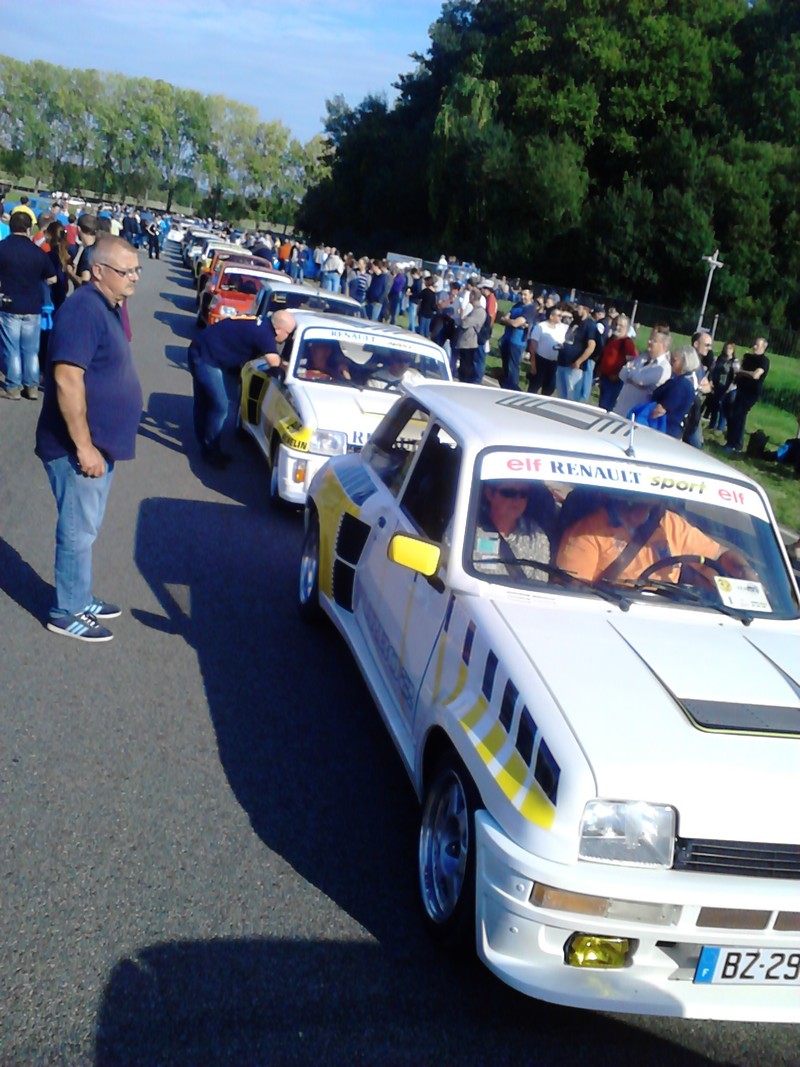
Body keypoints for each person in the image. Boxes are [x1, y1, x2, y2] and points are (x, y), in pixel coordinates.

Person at [34, 236, 143, 642]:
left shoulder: (107, 307)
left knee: (88, 528)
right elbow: (66, 377)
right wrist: (83, 445)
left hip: (98, 446)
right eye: (125, 271)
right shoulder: (82, 309)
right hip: (76, 448)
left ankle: (80, 597)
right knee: (78, 530)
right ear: (98, 271)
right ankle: (66, 611)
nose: (133, 277)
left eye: (136, 270)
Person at [557, 494, 753, 585]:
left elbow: (719, 555)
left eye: (647, 507)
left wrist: (744, 571)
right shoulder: (585, 533)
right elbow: (574, 595)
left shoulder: (671, 524)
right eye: (631, 504)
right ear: (616, 498)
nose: (639, 515)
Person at [187, 309, 296, 467]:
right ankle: (211, 451)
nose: (288, 337)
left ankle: (204, 445)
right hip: (204, 358)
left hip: (201, 347)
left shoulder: (262, 325)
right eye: (289, 333)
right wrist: (291, 368)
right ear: (279, 329)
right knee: (220, 406)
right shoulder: (265, 335)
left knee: (205, 401)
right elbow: (274, 362)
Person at [0, 211, 57, 400]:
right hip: (33, 305)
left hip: (10, 303)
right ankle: (31, 386)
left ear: (10, 227)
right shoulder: (38, 253)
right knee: (31, 349)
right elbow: (52, 278)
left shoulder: (3, 248)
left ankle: (13, 386)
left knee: (12, 348)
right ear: (28, 228)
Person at [472, 480, 552, 583]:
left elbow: (539, 584)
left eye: (523, 494)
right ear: (489, 494)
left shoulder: (536, 535)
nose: (517, 500)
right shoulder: (467, 526)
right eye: (509, 493)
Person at [613, 328, 672, 417]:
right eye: (650, 339)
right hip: (620, 408)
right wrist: (635, 379)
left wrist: (632, 373)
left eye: (654, 341)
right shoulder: (642, 358)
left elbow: (641, 380)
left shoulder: (663, 367)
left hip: (635, 415)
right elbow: (622, 373)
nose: (649, 342)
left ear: (663, 346)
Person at [725, 337, 769, 453]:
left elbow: (756, 375)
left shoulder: (763, 361)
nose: (754, 347)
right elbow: (739, 369)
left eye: (757, 345)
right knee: (732, 413)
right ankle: (732, 441)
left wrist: (741, 372)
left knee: (739, 414)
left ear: (763, 347)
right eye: (754, 344)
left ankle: (735, 444)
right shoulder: (748, 357)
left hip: (751, 393)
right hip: (740, 389)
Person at [650, 345, 701, 438]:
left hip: (665, 430)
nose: (671, 362)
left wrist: (644, 416)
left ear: (685, 362)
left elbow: (660, 410)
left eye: (674, 360)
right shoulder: (683, 381)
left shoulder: (681, 384)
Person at [556, 298, 600, 403]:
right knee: (561, 396)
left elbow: (591, 346)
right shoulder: (576, 321)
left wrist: (579, 361)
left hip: (574, 365)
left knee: (572, 397)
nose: (576, 309)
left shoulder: (590, 325)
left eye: (579, 307)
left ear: (585, 309)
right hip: (563, 361)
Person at [498, 287, 536, 390]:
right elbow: (502, 319)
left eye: (525, 295)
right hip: (506, 339)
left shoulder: (530, 309)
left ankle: (513, 389)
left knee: (513, 368)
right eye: (522, 294)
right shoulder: (517, 305)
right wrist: (510, 321)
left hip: (517, 342)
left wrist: (509, 321)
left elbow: (515, 323)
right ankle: (505, 388)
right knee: (505, 367)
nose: (523, 297)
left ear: (531, 295)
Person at [596, 314, 636, 411]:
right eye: (616, 324)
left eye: (621, 326)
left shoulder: (627, 343)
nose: (617, 327)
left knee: (606, 407)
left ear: (627, 328)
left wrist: (618, 376)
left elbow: (631, 363)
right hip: (604, 378)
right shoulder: (611, 340)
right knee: (601, 405)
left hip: (615, 381)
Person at [527, 302, 568, 396]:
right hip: (540, 360)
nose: (561, 318)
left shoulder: (562, 328)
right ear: (551, 316)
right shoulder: (540, 327)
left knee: (549, 387)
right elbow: (533, 346)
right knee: (534, 386)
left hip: (554, 363)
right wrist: (533, 364)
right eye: (559, 315)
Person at [454, 288, 487, 383]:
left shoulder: (479, 311)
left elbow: (465, 323)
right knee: (464, 364)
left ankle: (465, 382)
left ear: (473, 297)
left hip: (469, 342)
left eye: (470, 295)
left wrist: (461, 318)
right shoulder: (474, 310)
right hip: (466, 341)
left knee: (466, 365)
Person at [705, 341, 739, 432]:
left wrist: (730, 388)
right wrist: (711, 381)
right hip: (717, 385)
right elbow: (712, 370)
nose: (728, 350)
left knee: (723, 407)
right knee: (714, 405)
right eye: (727, 348)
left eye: (730, 349)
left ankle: (721, 427)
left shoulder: (734, 362)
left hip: (728, 387)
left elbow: (736, 376)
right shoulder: (718, 359)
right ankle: (712, 424)